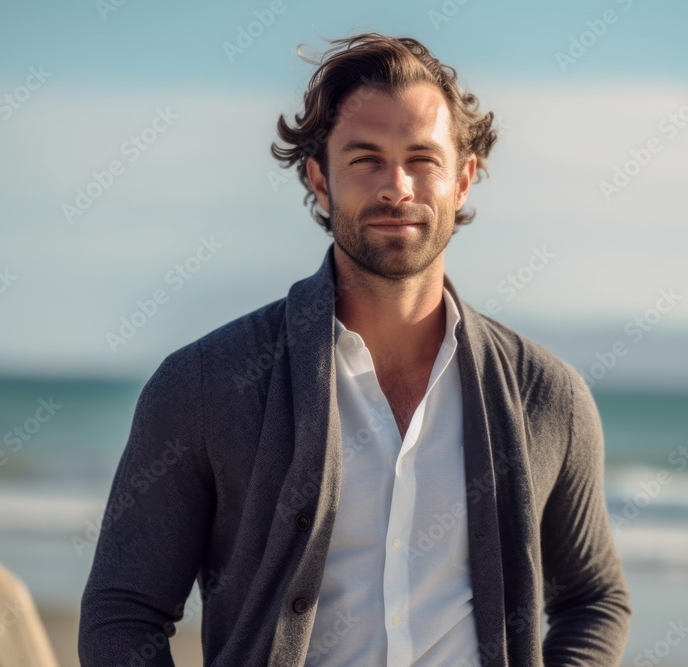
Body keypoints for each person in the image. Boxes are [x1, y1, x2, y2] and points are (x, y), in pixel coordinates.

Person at [79, 32, 632, 666]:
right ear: (319, 178)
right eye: (365, 158)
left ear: (464, 179)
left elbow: (593, 599)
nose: (397, 187)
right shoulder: (206, 384)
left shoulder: (546, 397)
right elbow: (123, 613)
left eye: (422, 158)